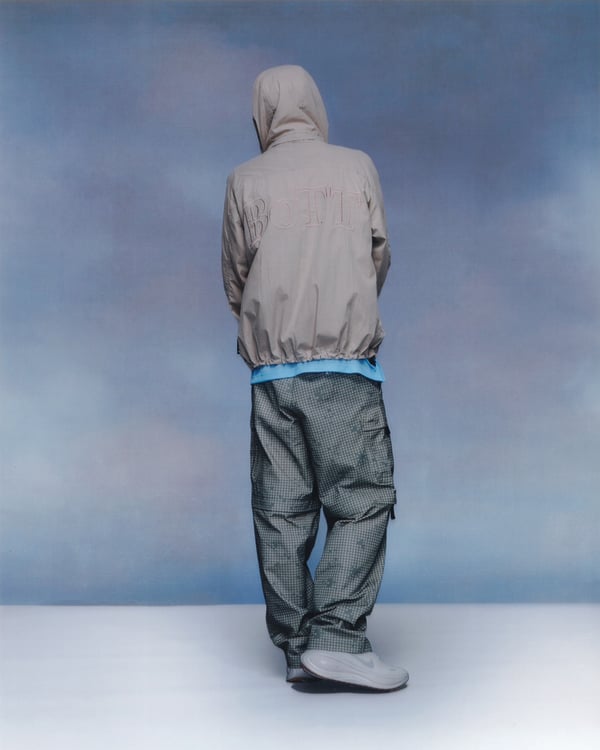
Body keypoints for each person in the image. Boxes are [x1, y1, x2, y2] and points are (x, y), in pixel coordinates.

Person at [221, 65, 408, 691]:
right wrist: (341, 305)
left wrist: (273, 324)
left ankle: (300, 648)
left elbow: (235, 278)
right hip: (343, 368)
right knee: (361, 501)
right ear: (314, 105)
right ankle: (338, 638)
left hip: (271, 376)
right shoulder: (356, 167)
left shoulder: (244, 179)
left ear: (262, 114)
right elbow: (377, 256)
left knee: (281, 511)